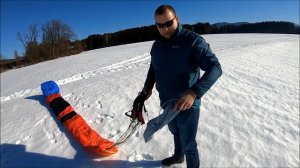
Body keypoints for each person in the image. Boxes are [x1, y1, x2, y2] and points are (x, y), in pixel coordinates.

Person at [133, 4, 222, 168]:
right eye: (160, 25)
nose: (165, 29)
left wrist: (194, 92)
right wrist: (147, 88)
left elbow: (215, 68)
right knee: (175, 132)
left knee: (189, 143)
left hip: (187, 104)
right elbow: (154, 67)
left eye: (168, 23)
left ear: (177, 19)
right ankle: (178, 156)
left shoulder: (193, 41)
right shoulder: (157, 45)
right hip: (167, 101)